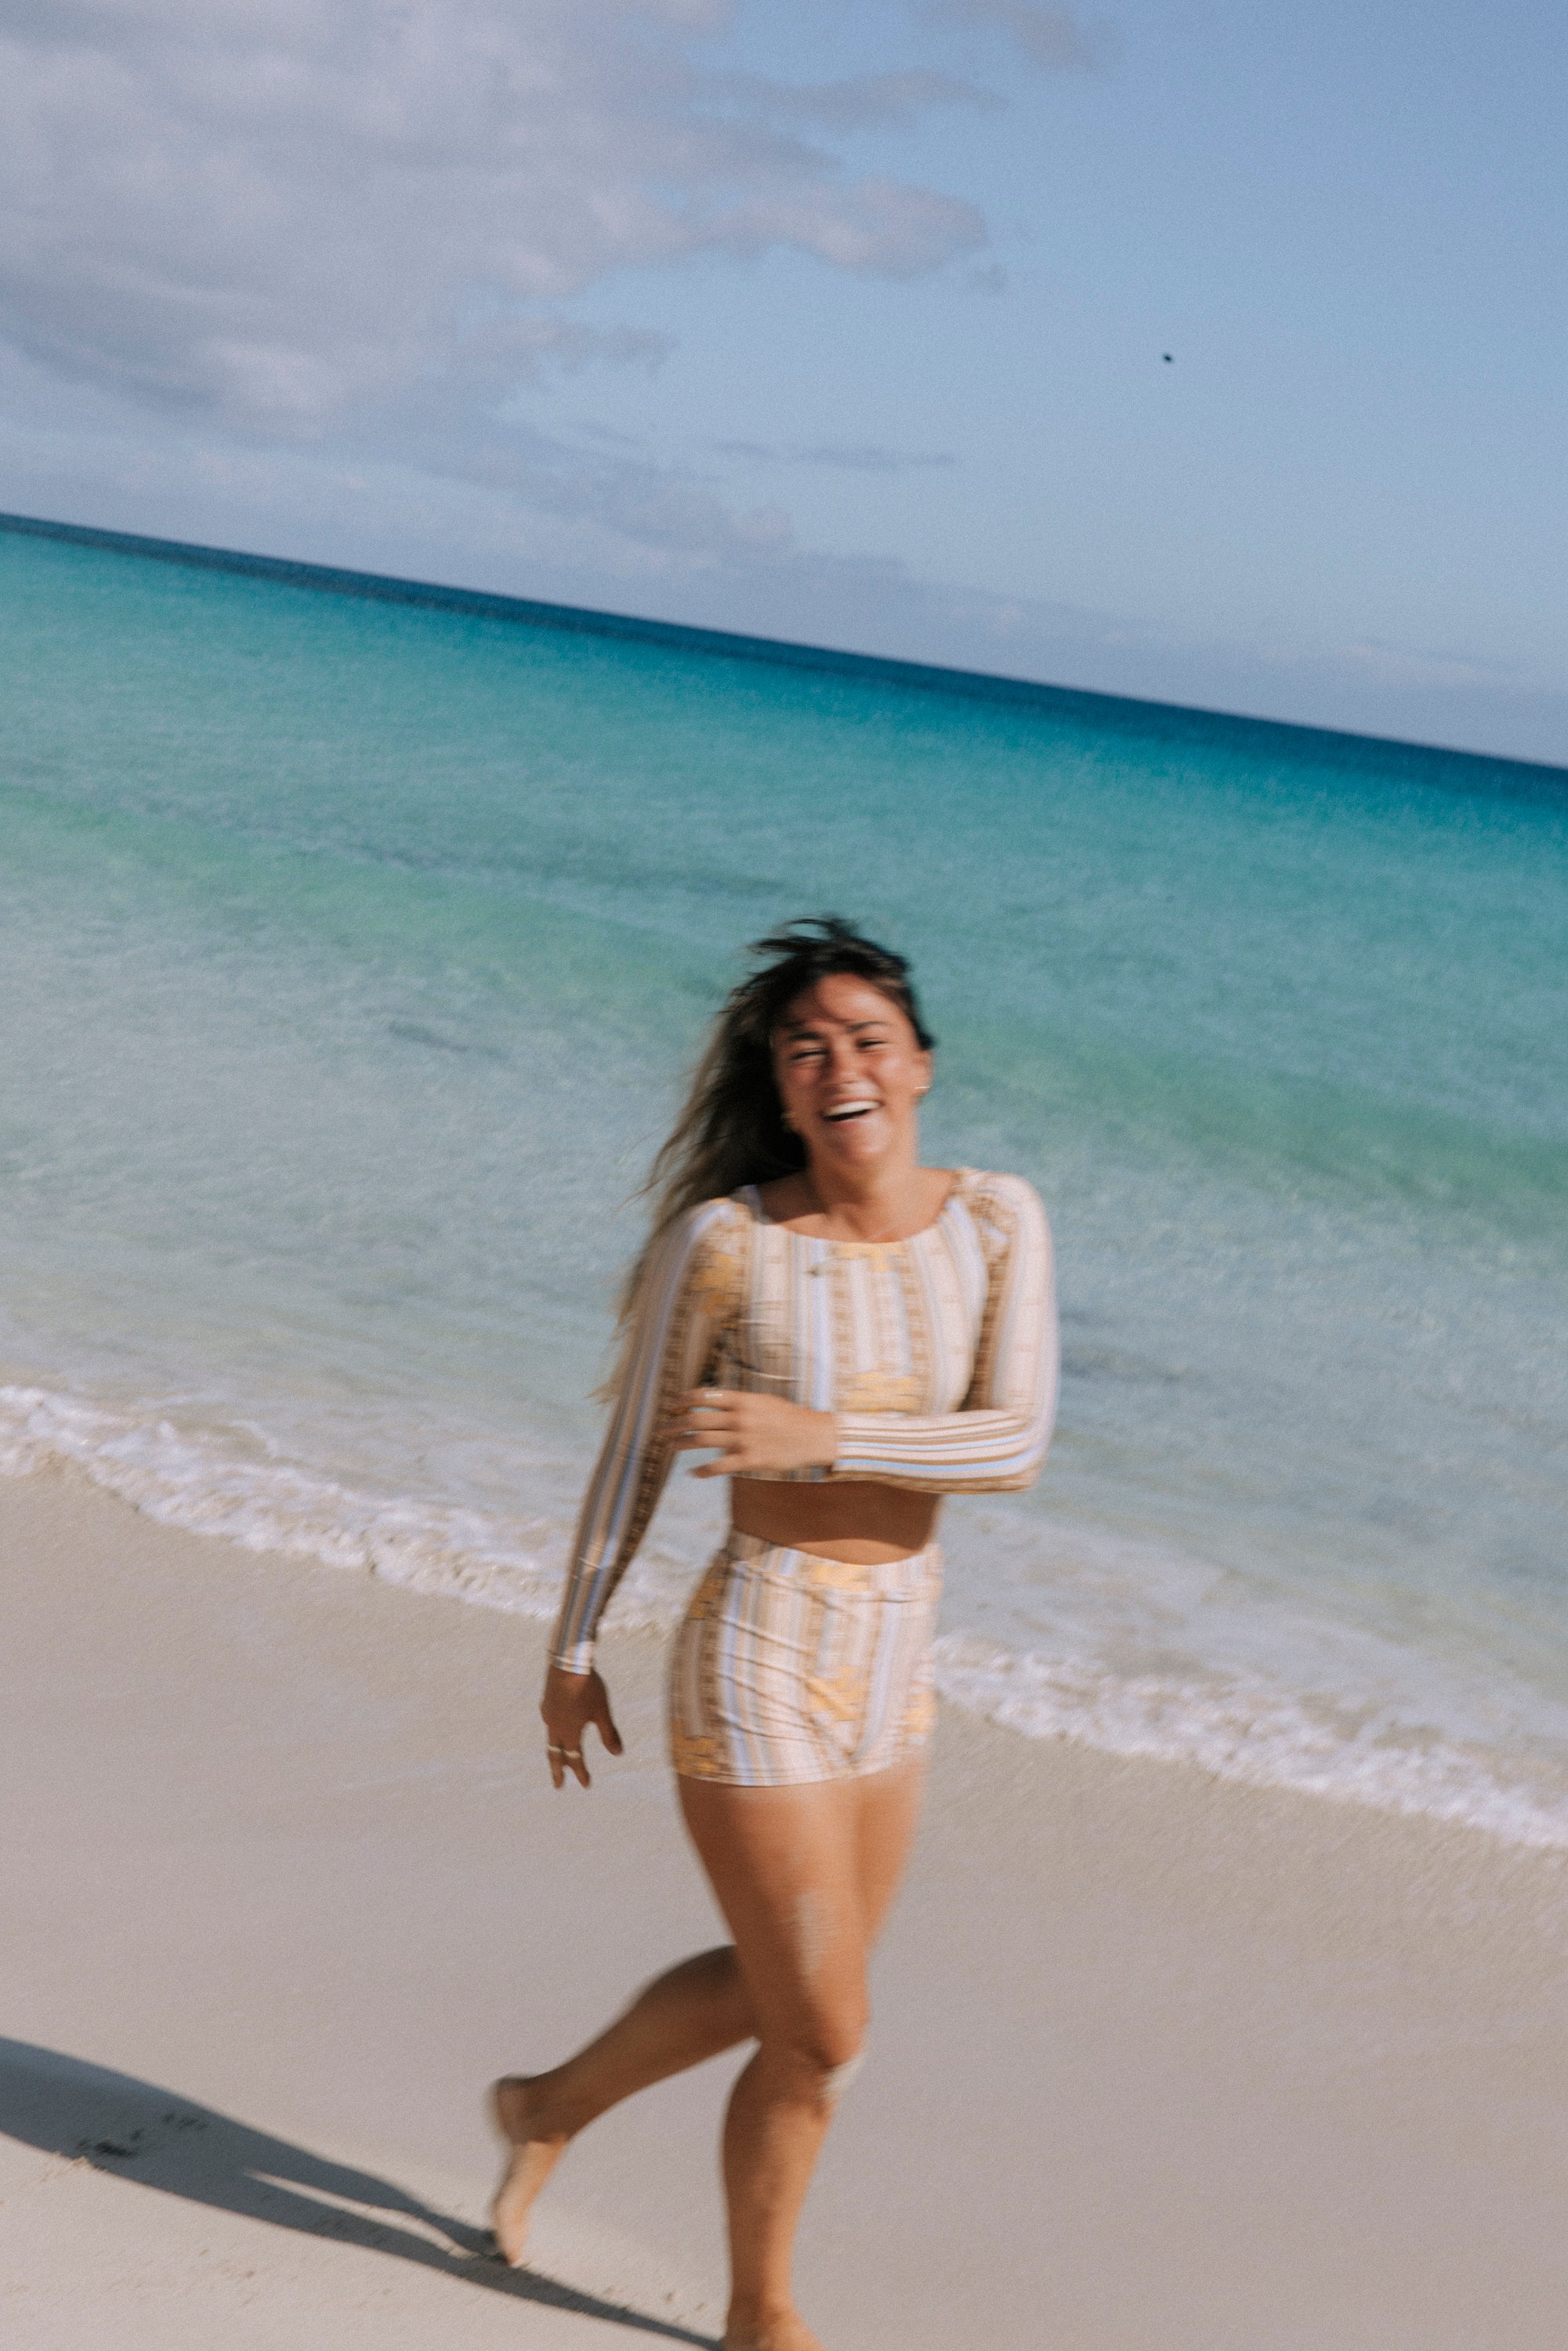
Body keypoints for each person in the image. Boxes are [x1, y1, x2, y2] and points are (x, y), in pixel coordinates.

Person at [490, 917, 1058, 2351]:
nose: (839, 1066)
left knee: (784, 1993)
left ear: (919, 1065)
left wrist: (821, 1435)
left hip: (897, 1655)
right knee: (826, 2030)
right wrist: (570, 1652)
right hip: (758, 1650)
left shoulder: (997, 1221)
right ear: (782, 1087)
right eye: (806, 1050)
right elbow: (634, 1451)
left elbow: (1014, 1444)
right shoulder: (729, 1243)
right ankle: (762, 2316)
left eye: (867, 1040)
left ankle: (545, 2106)